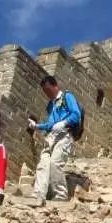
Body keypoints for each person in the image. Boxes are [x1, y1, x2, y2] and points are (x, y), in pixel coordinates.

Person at [28, 76, 82, 205]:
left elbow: (76, 114)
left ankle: (60, 194)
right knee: (43, 165)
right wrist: (37, 126)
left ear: (55, 86)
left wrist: (64, 123)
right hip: (51, 137)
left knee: (55, 163)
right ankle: (38, 193)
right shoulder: (51, 105)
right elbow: (50, 125)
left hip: (64, 134)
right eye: (45, 91)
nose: (47, 93)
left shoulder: (67, 97)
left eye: (48, 90)